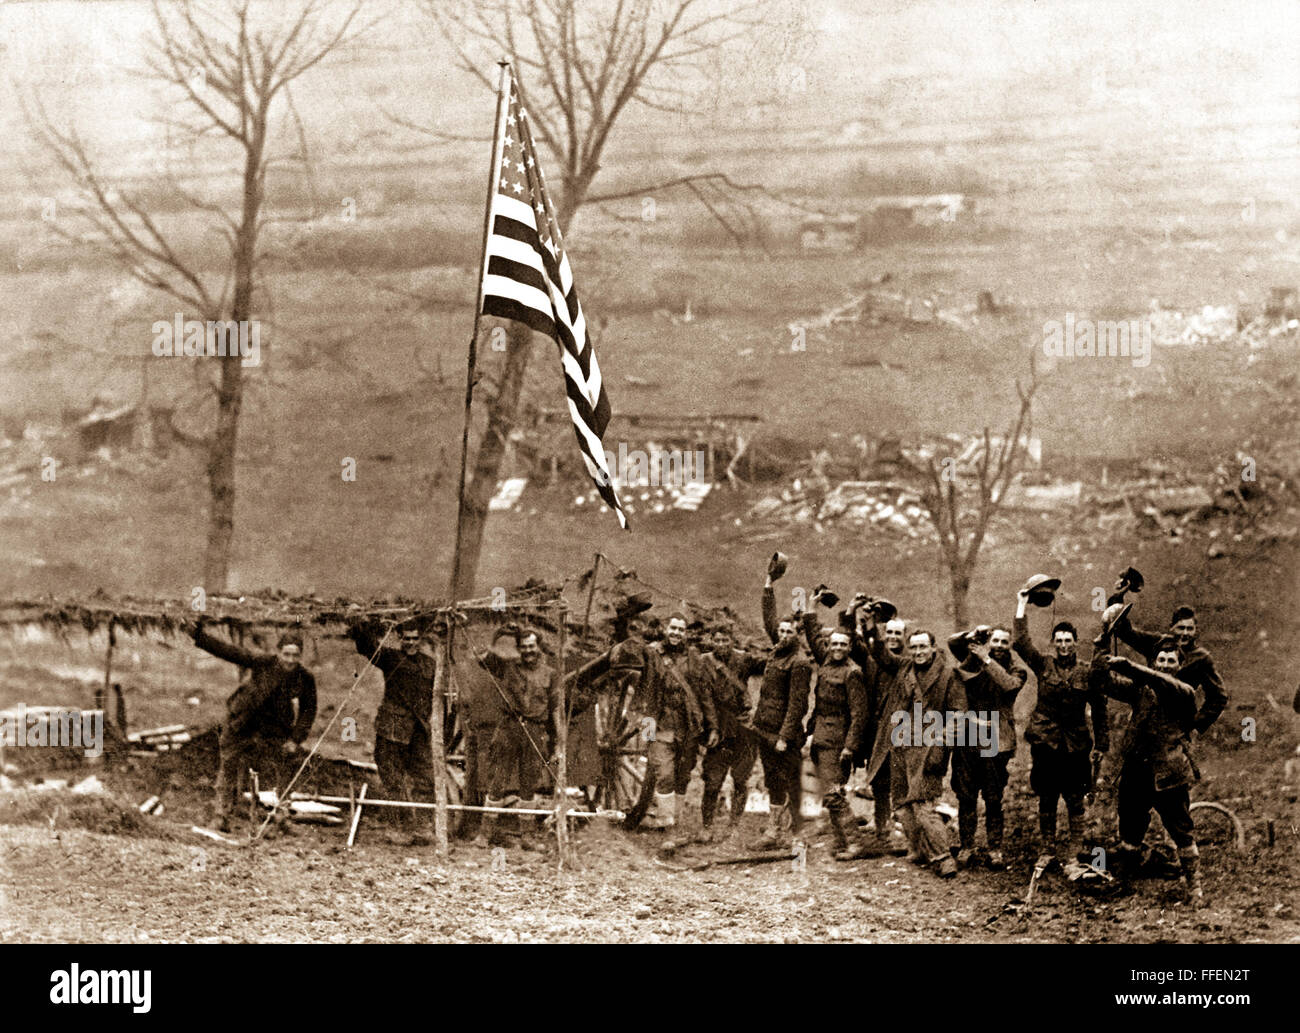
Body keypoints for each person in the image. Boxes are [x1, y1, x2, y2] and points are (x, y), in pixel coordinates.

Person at [1090, 638, 1204, 904]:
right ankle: (1125, 881)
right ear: (1155, 662)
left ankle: (1194, 887)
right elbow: (1102, 682)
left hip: (1169, 772)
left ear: (1179, 665)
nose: (1165, 665)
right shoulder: (1141, 690)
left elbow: (1161, 681)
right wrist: (1102, 643)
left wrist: (1129, 665)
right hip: (1137, 770)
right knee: (1130, 828)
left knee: (1181, 829)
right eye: (1160, 660)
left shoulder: (1183, 690)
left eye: (1170, 661)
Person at [191, 618, 317, 832]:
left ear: (300, 656)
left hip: (274, 726)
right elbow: (230, 652)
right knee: (229, 764)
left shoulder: (304, 678)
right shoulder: (263, 662)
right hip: (242, 721)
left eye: (295, 655)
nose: (290, 660)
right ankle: (222, 816)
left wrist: (295, 739)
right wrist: (198, 636)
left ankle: (282, 815)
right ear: (278, 652)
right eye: (286, 654)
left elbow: (309, 710)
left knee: (288, 762)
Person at [1013, 586, 1109, 862]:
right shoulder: (1043, 664)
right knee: (1047, 796)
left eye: (1068, 640)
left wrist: (1102, 744)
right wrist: (1022, 605)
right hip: (1046, 742)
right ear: (1053, 643)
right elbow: (1020, 642)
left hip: (1076, 744)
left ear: (1076, 643)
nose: (1064, 645)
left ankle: (1075, 847)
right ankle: (1047, 848)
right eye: (1059, 640)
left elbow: (1100, 709)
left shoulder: (1087, 672)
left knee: (1076, 796)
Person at [865, 628, 964, 878]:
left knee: (922, 806)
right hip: (899, 744)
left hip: (928, 747)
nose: (919, 652)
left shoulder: (948, 675)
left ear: (933, 648)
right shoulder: (904, 667)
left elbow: (957, 715)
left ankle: (943, 857)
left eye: (923, 647)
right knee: (901, 804)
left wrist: (941, 748)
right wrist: (870, 626)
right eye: (915, 648)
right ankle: (919, 849)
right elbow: (881, 654)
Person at [348, 619, 438, 844]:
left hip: (419, 729)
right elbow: (368, 648)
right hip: (392, 728)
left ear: (421, 640)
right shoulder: (390, 658)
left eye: (415, 639)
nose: (410, 643)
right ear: (400, 639)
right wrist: (363, 624)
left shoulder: (431, 664)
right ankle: (402, 827)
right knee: (392, 778)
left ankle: (425, 827)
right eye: (406, 639)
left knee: (425, 778)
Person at [947, 625, 1028, 869]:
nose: (1000, 646)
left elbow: (1010, 686)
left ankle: (995, 849)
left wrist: (986, 657)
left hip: (996, 740)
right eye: (996, 641)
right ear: (988, 642)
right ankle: (967, 846)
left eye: (1005, 642)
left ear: (1010, 645)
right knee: (965, 796)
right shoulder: (971, 660)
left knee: (993, 797)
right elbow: (952, 643)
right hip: (968, 737)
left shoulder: (1016, 669)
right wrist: (973, 635)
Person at [1106, 577, 1228, 739]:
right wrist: (1118, 598)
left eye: (1190, 629)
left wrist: (1195, 723)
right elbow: (1125, 632)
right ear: (1171, 628)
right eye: (1181, 628)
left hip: (1176, 724)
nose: (1185, 633)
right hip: (1146, 716)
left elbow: (1218, 696)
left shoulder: (1201, 658)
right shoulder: (1157, 643)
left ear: (1195, 631)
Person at [473, 625, 559, 849]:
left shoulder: (550, 674)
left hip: (536, 730)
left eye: (531, 646)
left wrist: (560, 741)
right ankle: (484, 835)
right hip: (509, 728)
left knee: (528, 785)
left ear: (538, 647)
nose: (528, 651)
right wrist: (499, 634)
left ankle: (527, 837)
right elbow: (481, 657)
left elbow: (556, 708)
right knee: (497, 782)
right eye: (523, 647)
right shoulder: (507, 666)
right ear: (518, 649)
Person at [799, 617, 871, 860]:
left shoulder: (853, 673)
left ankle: (854, 842)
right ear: (829, 647)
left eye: (843, 645)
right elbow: (812, 636)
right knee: (829, 793)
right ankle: (840, 841)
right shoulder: (827, 664)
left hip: (838, 743)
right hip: (820, 737)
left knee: (833, 793)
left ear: (850, 647)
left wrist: (850, 747)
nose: (838, 648)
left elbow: (859, 714)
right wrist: (810, 609)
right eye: (834, 644)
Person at [753, 556, 812, 849]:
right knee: (772, 781)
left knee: (792, 782)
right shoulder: (778, 650)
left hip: (782, 736)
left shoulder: (799, 662)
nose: (784, 634)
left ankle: (797, 836)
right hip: (764, 729)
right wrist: (769, 584)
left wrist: (785, 737)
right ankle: (774, 832)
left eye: (789, 631)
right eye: (781, 631)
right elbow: (768, 617)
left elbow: (798, 705)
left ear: (797, 635)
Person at [647, 613, 719, 846]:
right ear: (665, 629)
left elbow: (704, 694)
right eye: (673, 628)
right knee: (665, 774)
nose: (676, 633)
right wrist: (647, 734)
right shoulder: (653, 654)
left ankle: (673, 822)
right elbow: (644, 692)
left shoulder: (693, 658)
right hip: (661, 723)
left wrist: (712, 726)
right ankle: (667, 826)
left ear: (685, 633)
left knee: (682, 776)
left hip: (688, 726)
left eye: (681, 630)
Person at [698, 621, 763, 841]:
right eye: (717, 640)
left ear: (732, 641)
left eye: (725, 640)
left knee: (740, 779)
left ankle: (734, 825)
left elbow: (769, 665)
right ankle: (706, 827)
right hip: (718, 728)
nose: (721, 644)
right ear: (711, 641)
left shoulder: (743, 659)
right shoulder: (704, 662)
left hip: (743, 729)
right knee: (713, 781)